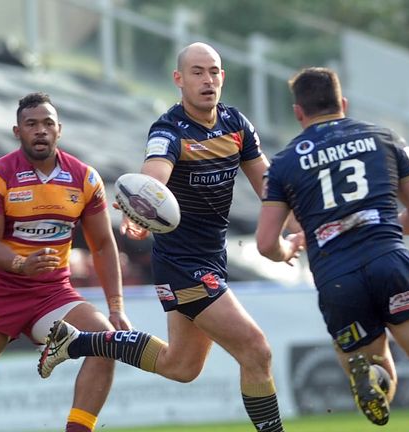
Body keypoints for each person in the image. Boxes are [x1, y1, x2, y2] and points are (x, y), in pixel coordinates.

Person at [38, 42, 287, 432]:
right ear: (179, 80)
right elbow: (155, 175)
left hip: (212, 259)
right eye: (198, 72)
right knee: (256, 350)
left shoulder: (236, 125)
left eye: (215, 71)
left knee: (181, 366)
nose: (208, 80)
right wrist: (144, 206)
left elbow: (269, 187)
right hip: (183, 264)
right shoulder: (169, 129)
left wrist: (300, 223)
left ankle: (76, 342)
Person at [255, 66, 409, 430]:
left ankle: (373, 379)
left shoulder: (283, 164)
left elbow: (264, 244)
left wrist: (288, 249)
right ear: (342, 102)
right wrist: (379, 227)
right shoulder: (385, 138)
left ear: (298, 112)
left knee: (382, 378)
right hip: (388, 261)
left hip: (337, 280)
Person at [0, 92, 130, 432]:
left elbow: (104, 247)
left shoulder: (85, 179)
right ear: (17, 131)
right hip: (1, 289)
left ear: (59, 130)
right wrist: (20, 264)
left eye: (48, 124)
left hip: (53, 293)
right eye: (31, 124)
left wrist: (117, 307)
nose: (40, 130)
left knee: (105, 342)